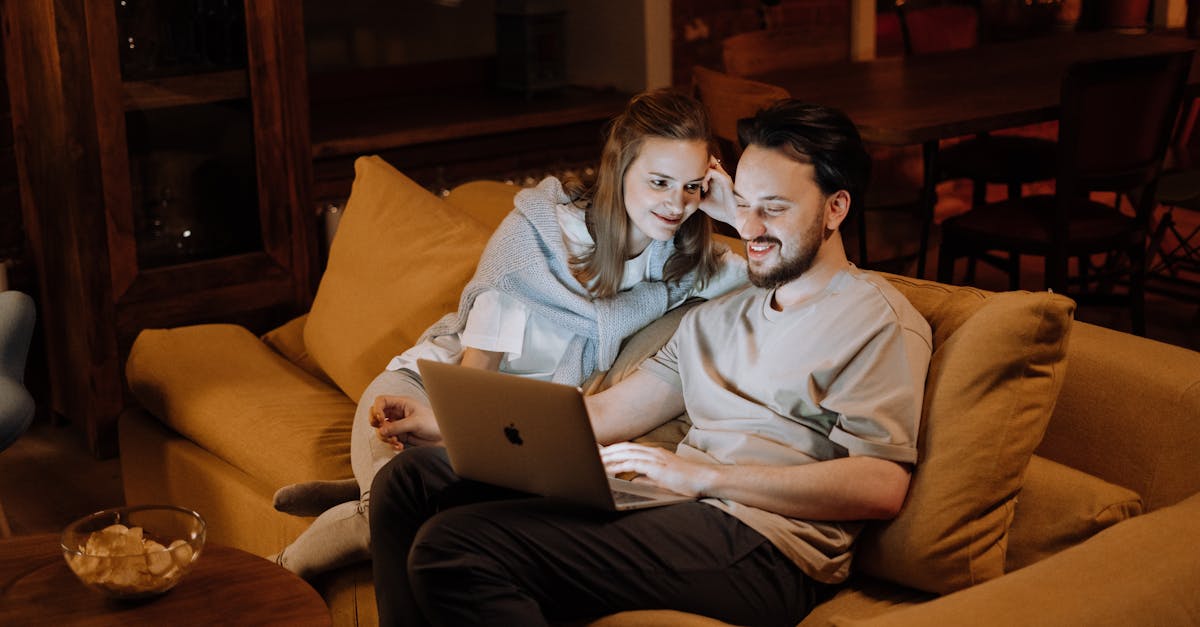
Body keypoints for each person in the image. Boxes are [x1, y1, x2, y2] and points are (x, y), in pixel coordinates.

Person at [367, 100, 933, 627]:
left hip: (765, 545)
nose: (752, 229)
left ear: (837, 207)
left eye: (775, 208)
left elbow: (881, 484)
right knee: (410, 481)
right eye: (743, 205)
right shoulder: (719, 315)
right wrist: (451, 428)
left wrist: (704, 477)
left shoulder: (875, 320)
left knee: (454, 547)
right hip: (672, 506)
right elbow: (610, 413)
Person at [271, 89, 748, 578]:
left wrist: (734, 213)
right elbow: (476, 382)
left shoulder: (682, 265)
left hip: (511, 435)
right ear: (620, 168)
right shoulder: (535, 236)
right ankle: (278, 571)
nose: (677, 203)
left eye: (692, 187)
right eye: (660, 182)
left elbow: (777, 272)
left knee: (452, 522)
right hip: (428, 397)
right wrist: (442, 443)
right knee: (397, 520)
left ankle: (361, 487)